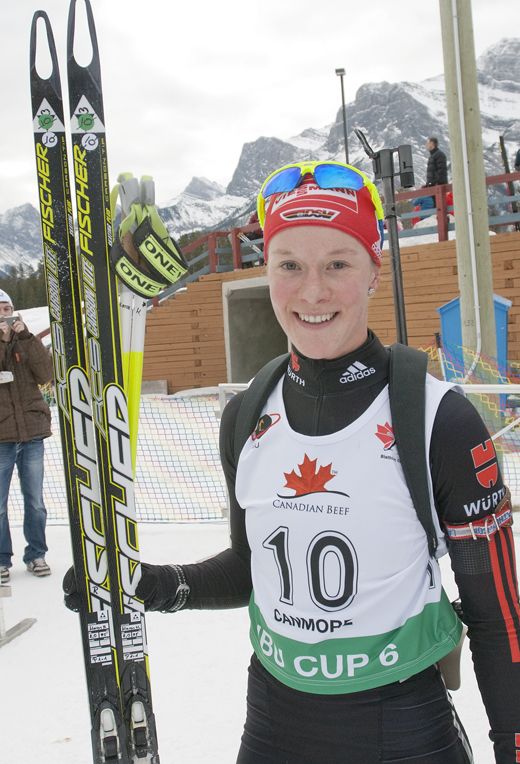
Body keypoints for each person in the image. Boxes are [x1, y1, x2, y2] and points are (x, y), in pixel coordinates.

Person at [65, 160, 520, 763]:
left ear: (373, 271)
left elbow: (498, 617)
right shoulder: (247, 414)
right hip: (274, 724)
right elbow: (250, 567)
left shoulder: (440, 421)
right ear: (268, 272)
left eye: (337, 264)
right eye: (289, 265)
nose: (312, 291)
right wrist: (155, 585)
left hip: (402, 729)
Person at [0, 289, 53, 582]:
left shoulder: (26, 339)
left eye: (6, 309)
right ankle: (1, 559)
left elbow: (45, 374)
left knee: (35, 501)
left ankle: (36, 554)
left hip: (31, 433)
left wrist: (26, 338)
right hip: (2, 437)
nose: (3, 315)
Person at [412, 137, 448, 223]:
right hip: (433, 186)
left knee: (437, 207)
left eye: (427, 143)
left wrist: (435, 183)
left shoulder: (439, 155)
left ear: (432, 144)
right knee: (434, 207)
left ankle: (439, 224)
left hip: (437, 187)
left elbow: (441, 172)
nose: (426, 145)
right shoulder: (433, 155)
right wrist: (428, 184)